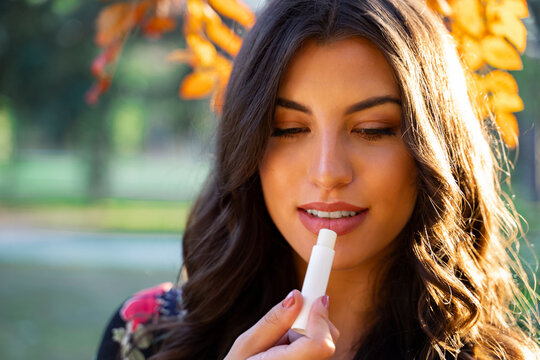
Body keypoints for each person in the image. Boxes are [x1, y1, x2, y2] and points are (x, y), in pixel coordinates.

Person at [95, 0, 540, 359]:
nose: (328, 172)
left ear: (432, 151)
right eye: (288, 129)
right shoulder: (143, 337)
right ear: (246, 144)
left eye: (373, 129)